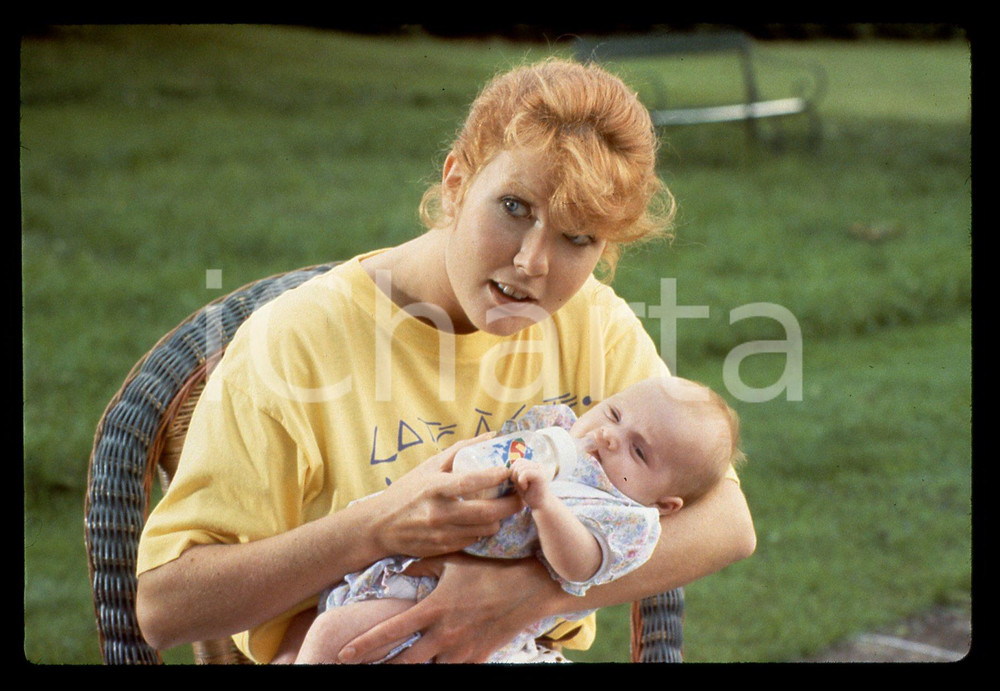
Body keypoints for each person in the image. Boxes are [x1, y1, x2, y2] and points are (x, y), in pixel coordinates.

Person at [135, 57, 756, 665]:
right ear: (457, 183)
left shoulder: (591, 321)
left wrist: (525, 596)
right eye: (514, 207)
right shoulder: (296, 340)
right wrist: (376, 528)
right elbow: (164, 610)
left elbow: (727, 522)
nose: (533, 262)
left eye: (577, 237)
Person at [281, 375, 744, 663]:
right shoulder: (558, 433)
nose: (607, 437)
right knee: (326, 636)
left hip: (482, 627)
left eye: (638, 451)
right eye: (614, 413)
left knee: (331, 636)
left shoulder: (625, 517)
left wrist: (545, 504)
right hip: (407, 574)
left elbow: (578, 566)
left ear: (664, 504)